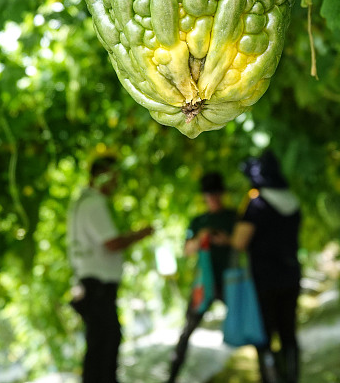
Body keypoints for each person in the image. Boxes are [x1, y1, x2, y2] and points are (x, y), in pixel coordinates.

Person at [67, 156, 154, 383]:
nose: (115, 184)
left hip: (91, 284)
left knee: (101, 342)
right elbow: (111, 243)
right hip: (98, 286)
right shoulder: (93, 203)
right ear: (102, 175)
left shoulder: (81, 203)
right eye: (113, 177)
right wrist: (141, 234)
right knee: (104, 343)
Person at [232, 150, 302, 383]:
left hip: (264, 278)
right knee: (288, 332)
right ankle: (291, 378)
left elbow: (240, 242)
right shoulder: (292, 199)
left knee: (264, 335)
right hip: (291, 273)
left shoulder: (257, 203)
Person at [166, 171, 238, 383]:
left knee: (248, 321)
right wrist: (201, 238)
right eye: (209, 194)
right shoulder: (198, 221)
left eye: (216, 193)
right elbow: (187, 249)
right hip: (204, 283)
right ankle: (171, 377)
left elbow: (243, 242)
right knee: (187, 330)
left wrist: (226, 240)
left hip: (230, 281)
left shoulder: (233, 216)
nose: (213, 198)